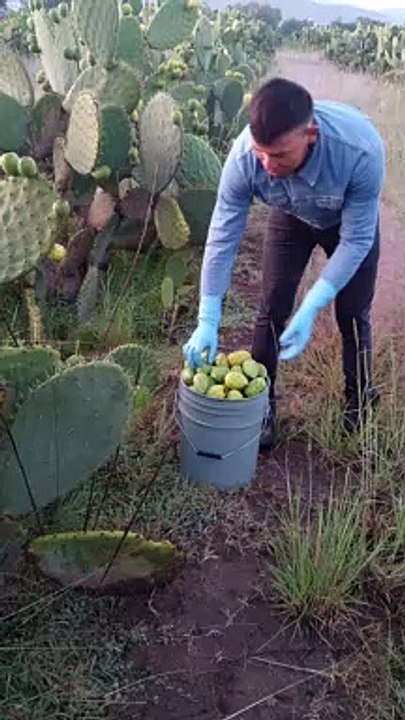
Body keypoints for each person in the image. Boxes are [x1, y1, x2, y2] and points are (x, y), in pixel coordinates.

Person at [182, 77, 385, 449]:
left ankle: (359, 405)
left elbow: (357, 240)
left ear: (310, 134)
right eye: (262, 152)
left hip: (347, 221)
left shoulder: (359, 151)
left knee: (353, 315)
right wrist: (207, 318)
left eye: (279, 155)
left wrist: (313, 303)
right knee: (272, 307)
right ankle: (262, 410)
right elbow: (223, 234)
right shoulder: (245, 158)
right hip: (291, 217)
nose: (268, 164)